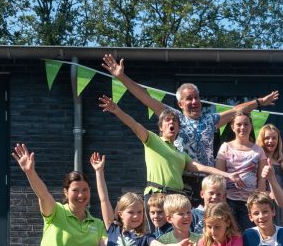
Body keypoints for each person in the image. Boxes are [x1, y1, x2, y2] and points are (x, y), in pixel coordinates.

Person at [101, 54, 278, 202]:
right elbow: (145, 98)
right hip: (182, 181)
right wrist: (121, 77)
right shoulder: (174, 117)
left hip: (208, 182)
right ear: (180, 103)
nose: (194, 102)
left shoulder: (210, 120)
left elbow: (236, 111)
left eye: (196, 98)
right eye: (189, 99)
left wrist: (260, 102)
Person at [98, 96, 242, 231]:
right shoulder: (153, 140)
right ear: (161, 127)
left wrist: (228, 175)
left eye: (175, 121)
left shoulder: (181, 153)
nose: (171, 122)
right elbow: (135, 126)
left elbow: (202, 167)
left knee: (176, 236)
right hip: (157, 196)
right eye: (167, 120)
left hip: (177, 199)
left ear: (178, 129)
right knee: (158, 236)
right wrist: (117, 110)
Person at [216, 111, 268, 231]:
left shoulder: (258, 150)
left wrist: (258, 201)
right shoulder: (225, 147)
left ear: (251, 126)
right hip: (229, 201)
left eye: (246, 124)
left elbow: (261, 179)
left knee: (248, 235)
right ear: (232, 127)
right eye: (239, 124)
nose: (242, 127)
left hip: (249, 202)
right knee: (230, 235)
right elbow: (218, 175)